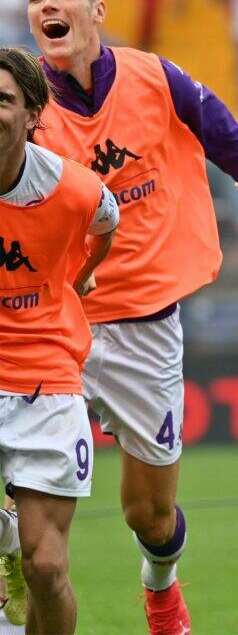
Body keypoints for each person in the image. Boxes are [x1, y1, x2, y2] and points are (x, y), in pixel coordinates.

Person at [26, 0, 238, 635]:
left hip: (144, 324)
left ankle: (161, 586)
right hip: (50, 321)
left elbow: (227, 139)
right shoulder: (22, 103)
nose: (51, 4)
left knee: (148, 516)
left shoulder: (152, 76)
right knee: (33, 528)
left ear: (97, 12)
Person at [0, 46, 119, 633]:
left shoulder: (74, 189)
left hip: (46, 376)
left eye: (3, 99)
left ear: (31, 113)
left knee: (46, 566)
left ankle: (14, 555)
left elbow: (107, 223)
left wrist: (81, 273)